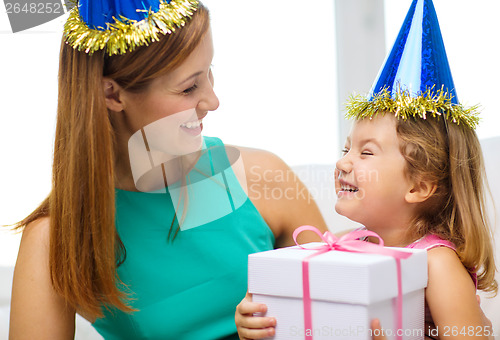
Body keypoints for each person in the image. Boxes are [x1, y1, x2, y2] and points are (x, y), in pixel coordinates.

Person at [8, 1, 327, 339]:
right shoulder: (57, 237)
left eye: (209, 74)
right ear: (111, 93)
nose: (212, 101)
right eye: (189, 87)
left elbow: (344, 304)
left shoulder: (263, 177)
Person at [235, 0, 497, 339]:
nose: (343, 162)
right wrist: (258, 319)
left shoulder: (437, 265)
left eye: (366, 152)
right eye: (346, 149)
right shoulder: (344, 245)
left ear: (418, 186)